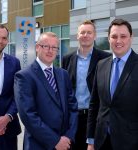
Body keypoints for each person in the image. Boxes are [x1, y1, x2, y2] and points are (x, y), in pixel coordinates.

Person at [14, 32, 78, 150]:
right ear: (37, 47)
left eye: (54, 47)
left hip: (65, 143)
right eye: (46, 46)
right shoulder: (24, 76)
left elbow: (73, 107)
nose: (50, 50)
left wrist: (69, 136)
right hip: (38, 144)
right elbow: (28, 116)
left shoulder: (63, 74)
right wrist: (55, 141)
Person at [87, 18, 138, 150]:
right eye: (114, 36)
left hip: (131, 142)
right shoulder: (101, 65)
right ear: (109, 39)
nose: (118, 41)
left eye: (123, 36)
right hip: (102, 141)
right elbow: (94, 104)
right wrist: (91, 140)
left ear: (131, 37)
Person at [62, 20, 111, 150]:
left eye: (89, 32)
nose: (85, 35)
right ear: (77, 36)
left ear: (94, 36)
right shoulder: (67, 59)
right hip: (72, 117)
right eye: (82, 32)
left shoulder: (105, 58)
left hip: (95, 117)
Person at [0, 24, 21, 150]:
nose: (0, 41)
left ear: (7, 40)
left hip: (9, 130)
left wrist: (7, 117)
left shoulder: (14, 62)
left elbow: (18, 94)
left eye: (4, 38)